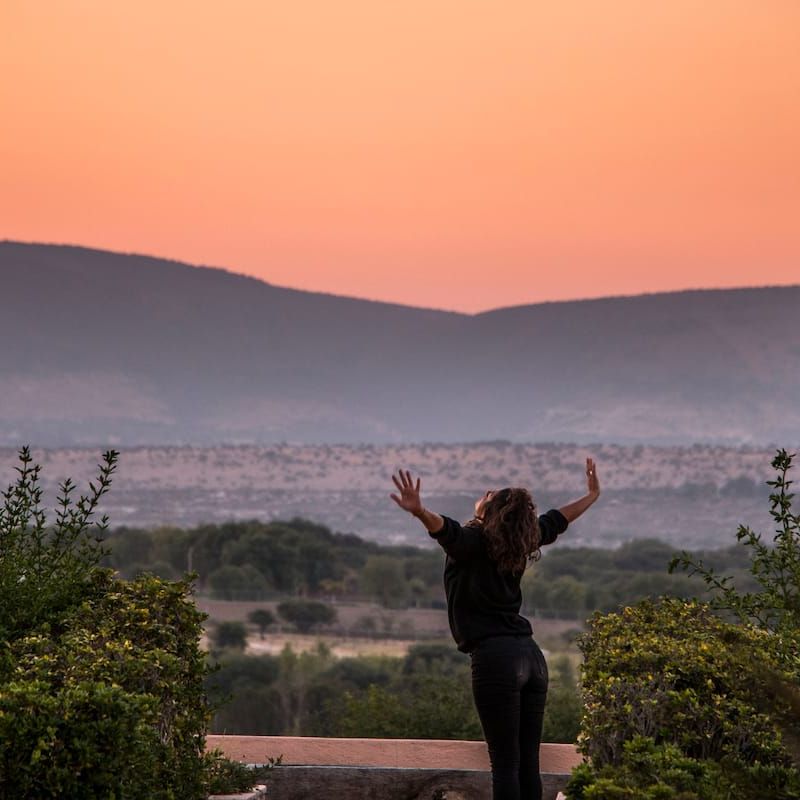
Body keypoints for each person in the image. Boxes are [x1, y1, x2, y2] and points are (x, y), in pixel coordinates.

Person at [390, 458, 601, 800]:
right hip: (532, 658)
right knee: (527, 765)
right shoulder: (522, 540)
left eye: (489, 495)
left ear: (490, 512)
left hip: (496, 658)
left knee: (504, 765)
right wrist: (591, 496)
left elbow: (446, 530)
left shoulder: (473, 541)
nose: (484, 493)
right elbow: (557, 520)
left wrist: (419, 512)